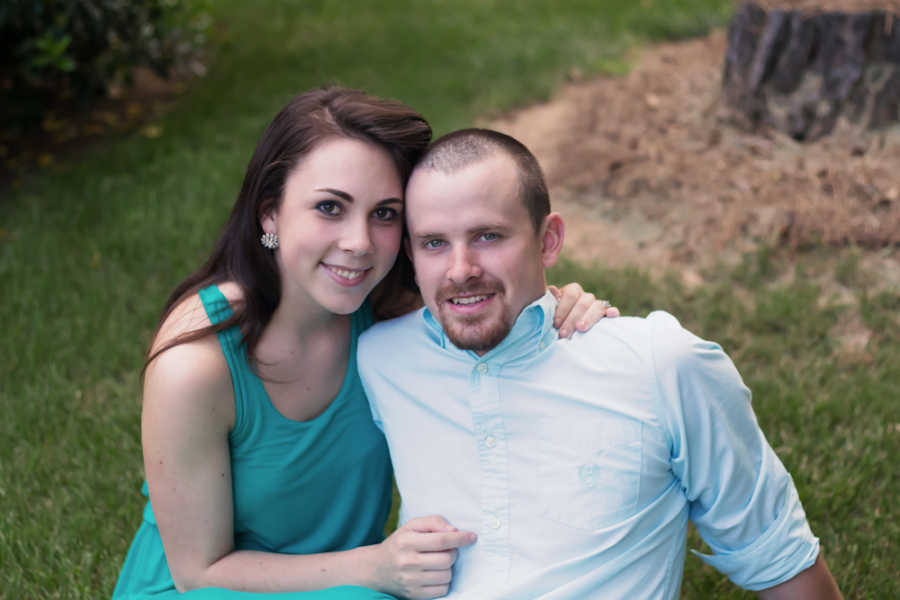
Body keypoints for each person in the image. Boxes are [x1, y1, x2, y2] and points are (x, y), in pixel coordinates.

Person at [112, 88, 616, 600]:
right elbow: (198, 571)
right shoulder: (196, 364)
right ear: (270, 215)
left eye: (385, 214)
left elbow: (488, 303)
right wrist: (373, 567)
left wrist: (559, 302)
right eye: (330, 207)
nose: (359, 243)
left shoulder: (389, 314)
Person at [357, 128, 844, 599]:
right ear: (411, 255)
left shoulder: (662, 367)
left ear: (548, 241)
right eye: (435, 243)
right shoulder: (381, 358)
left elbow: (778, 555)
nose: (461, 269)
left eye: (488, 236)